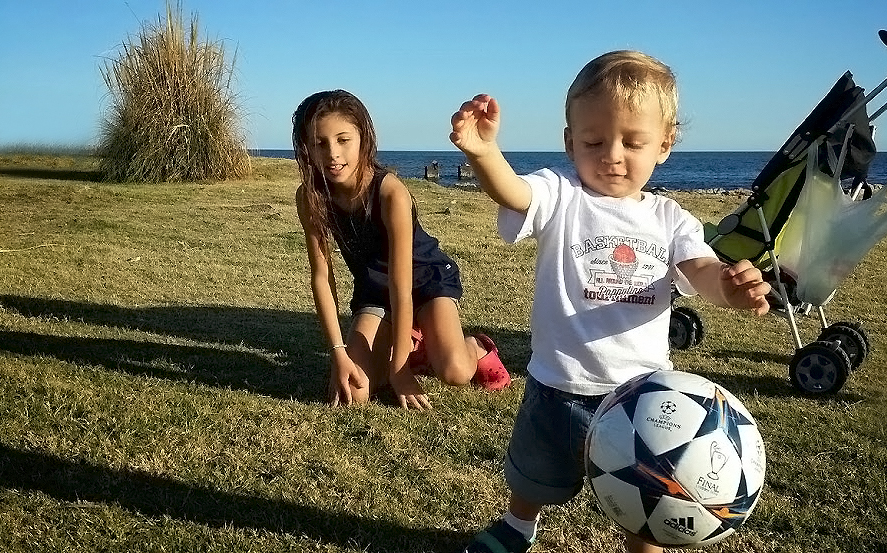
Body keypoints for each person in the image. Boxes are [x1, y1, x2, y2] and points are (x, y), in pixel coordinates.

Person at [449, 51, 771, 552]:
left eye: (633, 142)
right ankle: (517, 526)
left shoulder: (670, 219)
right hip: (558, 382)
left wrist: (729, 285)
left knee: (646, 500)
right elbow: (514, 194)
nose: (612, 155)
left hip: (643, 400)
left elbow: (699, 270)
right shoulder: (561, 193)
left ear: (664, 145)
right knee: (533, 473)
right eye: (593, 141)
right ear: (569, 142)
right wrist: (484, 153)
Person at [293, 89, 510, 411]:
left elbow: (402, 284)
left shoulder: (390, 192)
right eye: (319, 143)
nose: (333, 154)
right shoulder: (311, 197)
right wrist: (338, 352)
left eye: (343, 140)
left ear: (363, 138)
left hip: (424, 281)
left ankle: (474, 345)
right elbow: (322, 277)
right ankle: (413, 343)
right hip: (375, 291)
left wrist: (400, 370)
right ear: (307, 148)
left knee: (455, 372)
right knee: (357, 393)